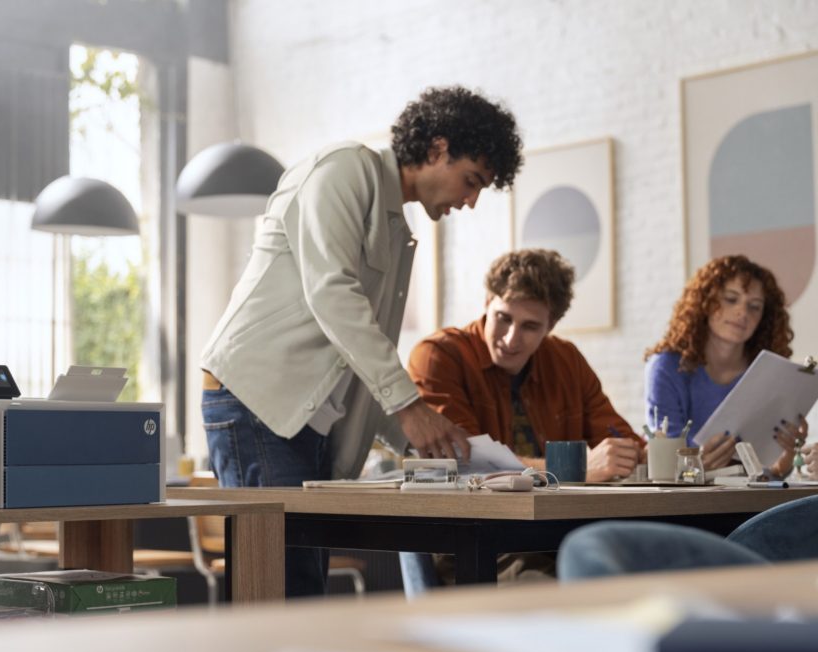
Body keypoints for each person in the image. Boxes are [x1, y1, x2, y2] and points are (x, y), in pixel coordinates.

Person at [201, 86, 524, 597]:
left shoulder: (396, 230)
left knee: (300, 590)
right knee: (280, 591)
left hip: (303, 420)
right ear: (437, 148)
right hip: (258, 401)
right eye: (471, 180)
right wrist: (409, 407)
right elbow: (332, 294)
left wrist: (426, 436)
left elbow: (354, 356)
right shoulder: (344, 170)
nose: (470, 201)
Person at [409, 248, 644, 483]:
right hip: (476, 507)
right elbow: (463, 461)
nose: (511, 339)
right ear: (488, 302)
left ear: (551, 325)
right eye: (503, 318)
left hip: (556, 505)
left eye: (530, 326)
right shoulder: (437, 356)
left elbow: (621, 441)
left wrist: (640, 454)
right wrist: (574, 468)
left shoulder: (567, 360)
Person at [644, 255, 806, 476]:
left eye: (755, 306)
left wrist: (787, 454)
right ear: (705, 302)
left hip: (751, 494)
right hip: (688, 495)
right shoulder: (666, 367)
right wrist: (698, 466)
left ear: (764, 318)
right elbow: (665, 467)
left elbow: (770, 474)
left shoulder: (769, 373)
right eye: (731, 299)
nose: (742, 312)